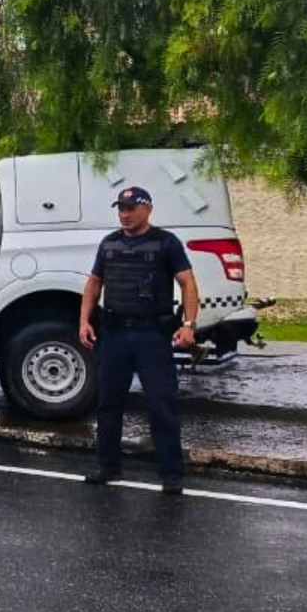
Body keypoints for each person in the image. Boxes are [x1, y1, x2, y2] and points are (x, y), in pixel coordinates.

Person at [78, 185, 199, 495]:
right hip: (114, 333)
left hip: (152, 336)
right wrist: (84, 321)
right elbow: (94, 283)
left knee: (161, 403)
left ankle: (171, 473)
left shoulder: (166, 242)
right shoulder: (109, 243)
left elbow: (187, 282)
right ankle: (108, 467)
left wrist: (189, 325)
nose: (125, 214)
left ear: (148, 209)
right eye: (121, 208)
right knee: (108, 403)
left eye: (131, 209)